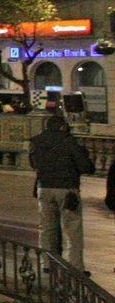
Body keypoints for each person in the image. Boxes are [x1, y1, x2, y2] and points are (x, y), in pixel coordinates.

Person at [28, 114, 94, 271]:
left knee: (47, 227)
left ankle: (47, 263)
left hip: (44, 188)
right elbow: (85, 166)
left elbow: (33, 163)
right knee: (73, 228)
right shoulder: (69, 142)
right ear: (62, 126)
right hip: (67, 190)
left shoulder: (36, 142)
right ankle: (76, 266)